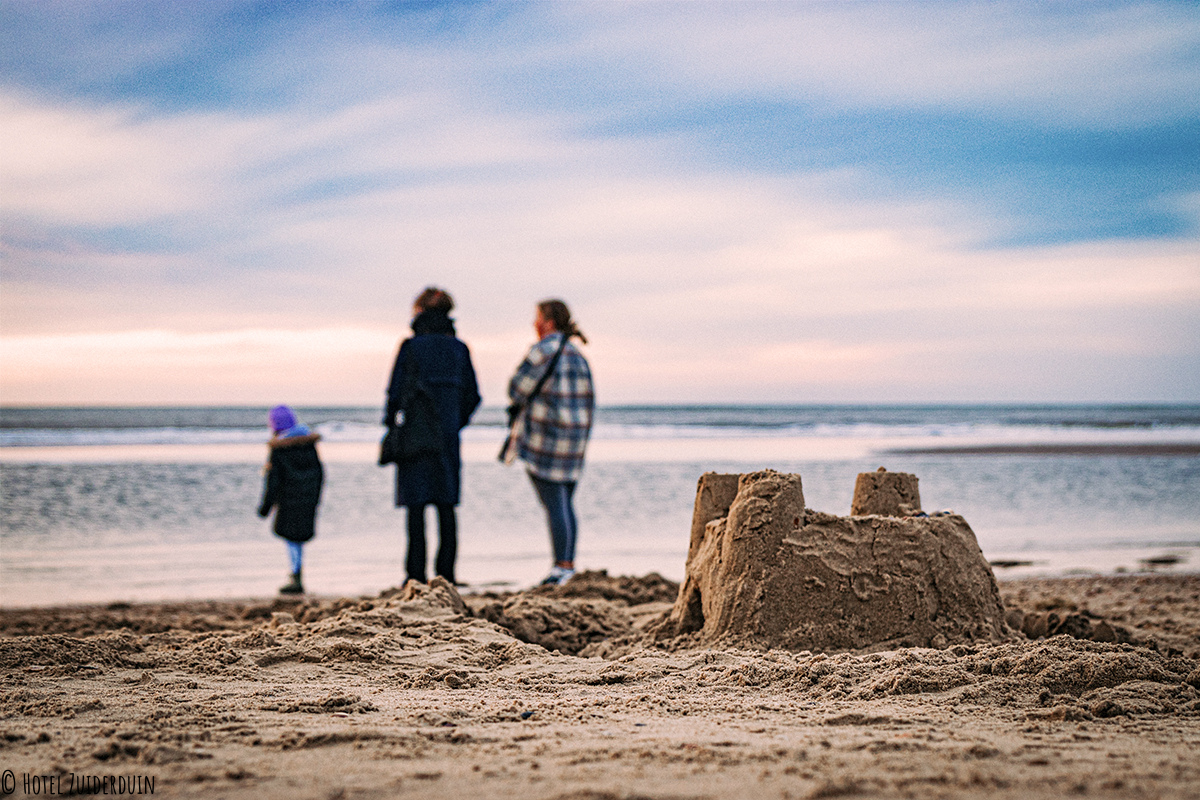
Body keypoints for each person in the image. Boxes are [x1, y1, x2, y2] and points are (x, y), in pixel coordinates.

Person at [384, 287, 481, 585]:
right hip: (448, 438)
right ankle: (446, 576)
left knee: (415, 509)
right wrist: (455, 423)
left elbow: (394, 394)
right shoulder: (459, 348)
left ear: (420, 312)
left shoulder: (411, 347)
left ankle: (414, 576)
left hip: (415, 436)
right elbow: (473, 396)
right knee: (446, 507)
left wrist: (392, 425)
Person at [507, 299, 595, 586]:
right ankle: (567, 563)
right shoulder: (578, 355)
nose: (534, 323)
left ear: (548, 322)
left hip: (546, 439)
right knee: (565, 503)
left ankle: (561, 567)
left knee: (554, 503)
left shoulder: (543, 351)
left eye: (537, 318)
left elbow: (517, 389)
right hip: (575, 440)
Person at [257, 405, 324, 595]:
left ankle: (296, 576)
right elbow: (319, 473)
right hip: (308, 499)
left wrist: (265, 507)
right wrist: (316, 498)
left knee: (291, 539)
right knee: (298, 538)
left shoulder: (278, 449)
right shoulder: (308, 445)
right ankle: (296, 574)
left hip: (288, 501)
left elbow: (273, 481)